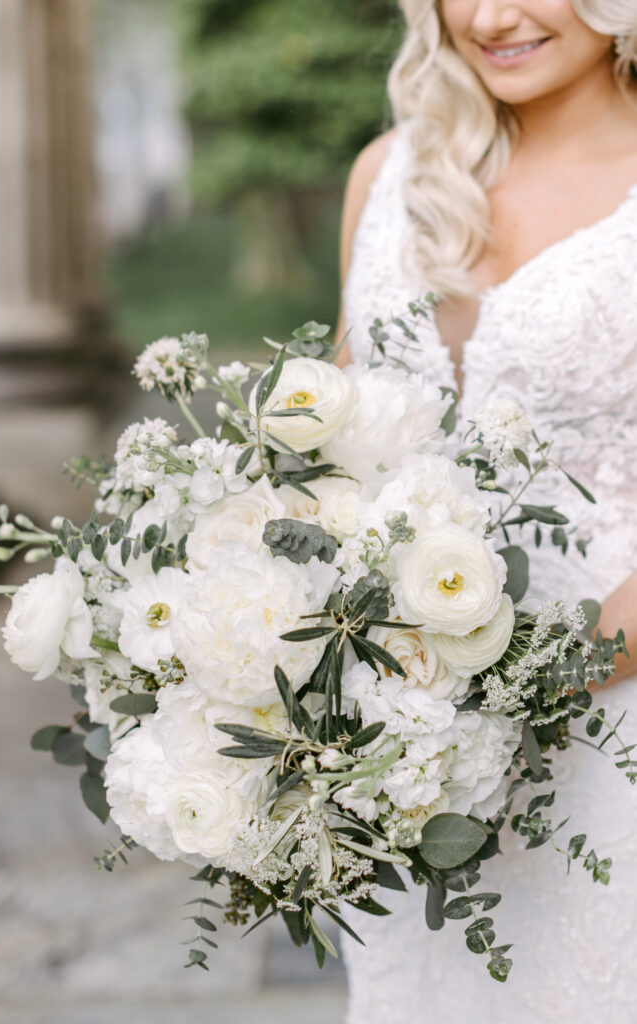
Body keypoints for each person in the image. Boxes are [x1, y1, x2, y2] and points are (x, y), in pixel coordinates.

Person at [334, 2, 637, 1021]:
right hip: (402, 742)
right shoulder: (387, 173)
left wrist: (524, 688)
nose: (490, 16)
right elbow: (333, 436)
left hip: (613, 722)